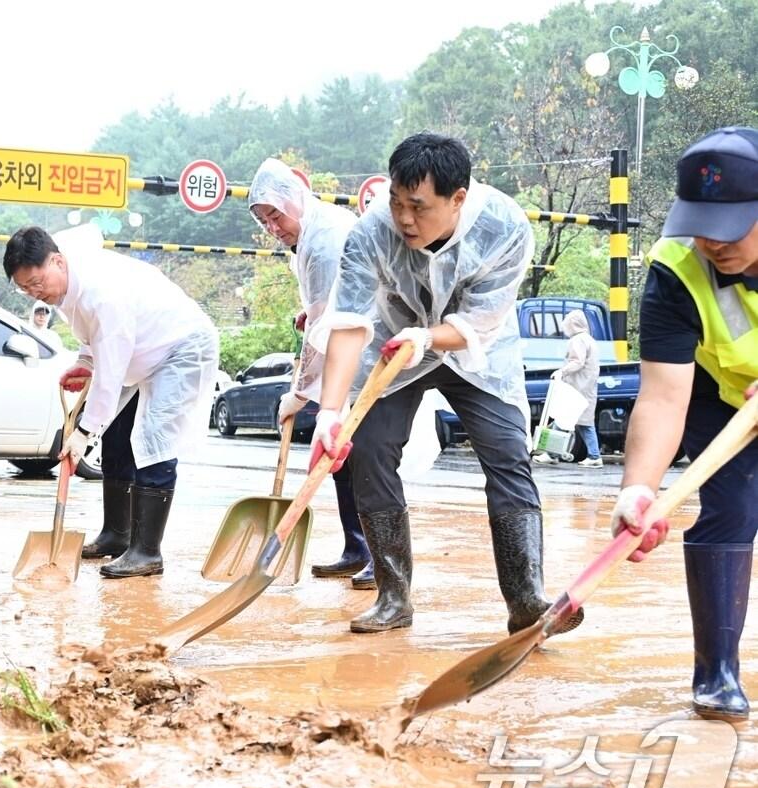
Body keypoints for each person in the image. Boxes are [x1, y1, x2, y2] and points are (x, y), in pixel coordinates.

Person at [308, 132, 584, 636]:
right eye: (396, 202)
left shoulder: (504, 225)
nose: (404, 218)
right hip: (393, 346)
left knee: (507, 453)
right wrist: (330, 412)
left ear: (458, 198)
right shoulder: (370, 232)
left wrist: (429, 336)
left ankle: (526, 599)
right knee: (369, 451)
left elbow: (481, 320)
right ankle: (393, 597)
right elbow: (347, 323)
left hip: (476, 350)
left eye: (418, 206)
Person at [611, 126, 758, 722]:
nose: (711, 242)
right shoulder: (675, 268)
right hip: (720, 397)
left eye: (729, 227)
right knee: (734, 506)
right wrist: (638, 490)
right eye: (700, 224)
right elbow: (663, 397)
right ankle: (716, 672)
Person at [3, 224, 219, 578]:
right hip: (140, 349)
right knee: (117, 435)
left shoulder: (103, 293)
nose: (35, 294)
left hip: (180, 347)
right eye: (25, 288)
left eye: (37, 283)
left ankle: (147, 552)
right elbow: (95, 337)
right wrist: (84, 361)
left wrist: (83, 432)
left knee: (153, 439)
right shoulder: (64, 284)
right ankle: (116, 535)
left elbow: (112, 369)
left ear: (57, 261)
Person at [246, 158, 374, 588]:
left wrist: (298, 394)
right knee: (342, 457)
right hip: (347, 351)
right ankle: (358, 547)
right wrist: (311, 313)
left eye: (275, 216)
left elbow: (327, 328)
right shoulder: (308, 233)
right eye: (264, 221)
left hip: (366, 353)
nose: (272, 228)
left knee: (368, 457)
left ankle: (379, 557)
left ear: (294, 199)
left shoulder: (324, 241)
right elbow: (323, 309)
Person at [533, 310, 603, 467]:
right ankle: (594, 456)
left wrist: (562, 371)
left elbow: (577, 362)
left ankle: (552, 454)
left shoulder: (577, 340)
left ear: (572, 325)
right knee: (585, 423)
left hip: (576, 388)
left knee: (562, 420)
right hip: (587, 388)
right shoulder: (589, 340)